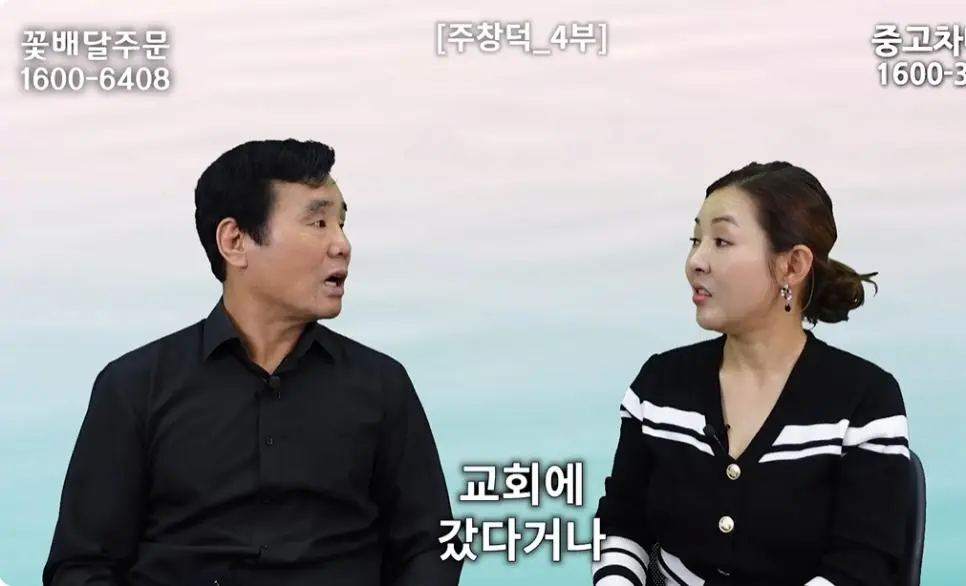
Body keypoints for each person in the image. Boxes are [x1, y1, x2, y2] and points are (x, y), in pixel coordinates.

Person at [43, 139, 462, 586]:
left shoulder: (381, 384)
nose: (341, 245)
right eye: (318, 222)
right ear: (235, 241)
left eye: (341, 224)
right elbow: (82, 566)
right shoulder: (134, 387)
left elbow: (431, 545)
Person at [592, 162, 911, 586]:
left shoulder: (865, 399)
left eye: (721, 241)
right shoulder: (658, 385)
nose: (695, 262)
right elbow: (621, 523)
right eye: (695, 241)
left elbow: (864, 565)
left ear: (792, 266)